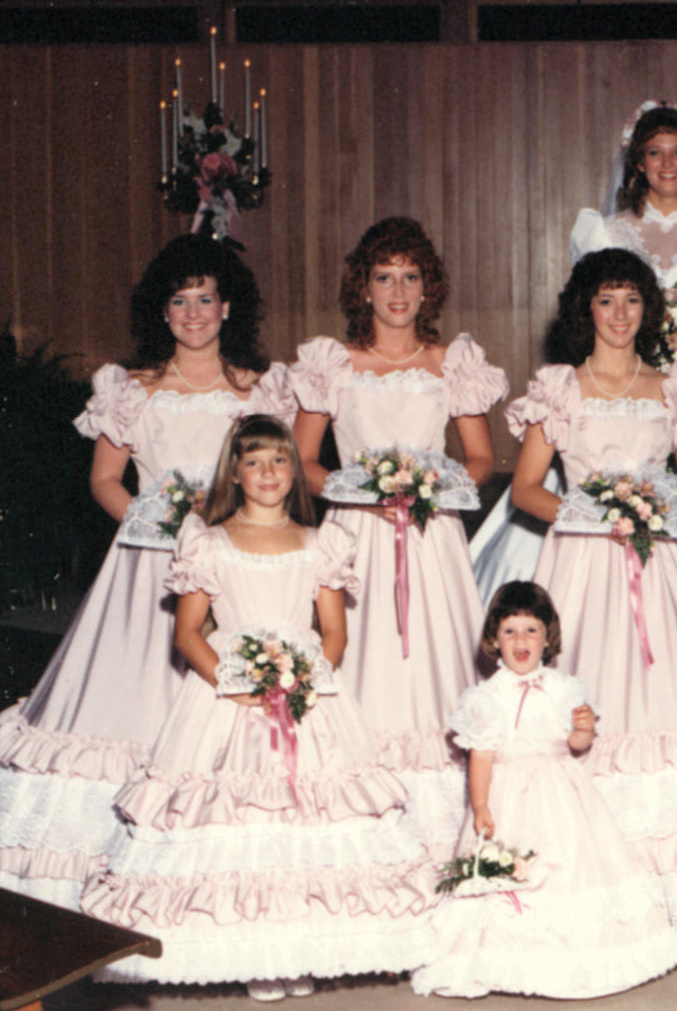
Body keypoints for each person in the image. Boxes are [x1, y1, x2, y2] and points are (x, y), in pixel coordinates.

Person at [82, 416, 436, 998]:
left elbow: (334, 635)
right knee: (242, 818)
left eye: (278, 460)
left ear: (294, 470)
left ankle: (302, 947)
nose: (268, 473)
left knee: (311, 819)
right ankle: (257, 955)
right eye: (254, 462)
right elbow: (189, 633)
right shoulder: (207, 540)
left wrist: (299, 681)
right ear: (235, 473)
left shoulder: (322, 541)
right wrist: (237, 683)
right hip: (227, 699)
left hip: (305, 698)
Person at [0, 234, 292, 910]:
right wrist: (155, 520)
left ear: (227, 309)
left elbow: (273, 472)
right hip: (148, 566)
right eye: (179, 300)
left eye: (205, 298)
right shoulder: (131, 389)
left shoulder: (258, 388)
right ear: (162, 313)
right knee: (132, 705)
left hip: (231, 559)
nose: (193, 311)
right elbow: (106, 479)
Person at [506, 248, 677, 939]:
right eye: (606, 300)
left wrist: (645, 503)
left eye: (632, 301)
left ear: (649, 311)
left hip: (661, 562)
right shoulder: (558, 387)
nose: (619, 315)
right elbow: (527, 489)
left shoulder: (675, 385)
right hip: (583, 565)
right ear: (585, 308)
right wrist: (595, 513)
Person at [472, 102, 677, 611]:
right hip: (601, 394)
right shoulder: (605, 231)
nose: (667, 164)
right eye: (654, 153)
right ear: (637, 163)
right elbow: (595, 303)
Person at [290, 217, 508, 858]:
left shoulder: (451, 363)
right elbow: (305, 462)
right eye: (384, 276)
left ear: (428, 287)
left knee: (432, 669)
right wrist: (364, 491)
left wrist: (424, 489)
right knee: (358, 660)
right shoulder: (333, 363)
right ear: (363, 286)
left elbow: (478, 459)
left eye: (411, 276)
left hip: (429, 534)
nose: (397, 290)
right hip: (356, 532)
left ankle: (448, 829)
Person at [411, 582, 677, 999]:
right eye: (509, 631)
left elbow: (578, 746)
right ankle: (503, 957)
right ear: (494, 639)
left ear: (547, 637)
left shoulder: (564, 687)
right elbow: (481, 757)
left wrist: (582, 728)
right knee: (508, 872)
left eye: (531, 630)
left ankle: (579, 955)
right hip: (506, 795)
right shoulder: (486, 697)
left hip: (561, 794)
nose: (520, 641)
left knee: (571, 865)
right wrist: (482, 805)